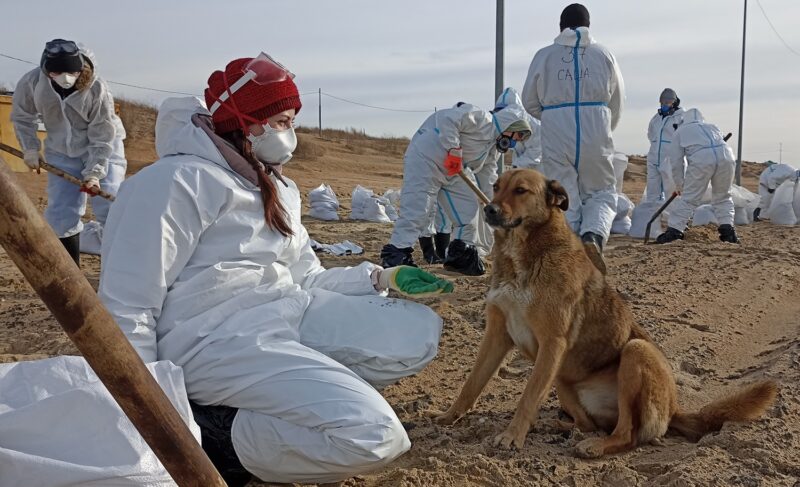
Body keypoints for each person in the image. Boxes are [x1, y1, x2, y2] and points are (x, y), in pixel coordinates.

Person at [98, 54, 452, 485]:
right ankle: (221, 440)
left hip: (284, 312)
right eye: (282, 120)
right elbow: (128, 304)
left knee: (416, 334)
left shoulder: (277, 186)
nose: (290, 132)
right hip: (211, 338)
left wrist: (379, 278)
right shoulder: (177, 181)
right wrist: (153, 404)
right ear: (249, 122)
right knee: (374, 436)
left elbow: (306, 276)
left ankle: (287, 404)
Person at [380, 99, 532, 276]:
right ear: (511, 126)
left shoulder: (492, 149)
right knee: (418, 210)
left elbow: (488, 178)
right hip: (427, 159)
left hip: (454, 170)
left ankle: (461, 256)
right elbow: (449, 120)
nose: (515, 143)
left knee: (469, 209)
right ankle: (397, 254)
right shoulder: (481, 118)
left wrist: (495, 204)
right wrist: (453, 148)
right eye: (518, 136)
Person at [521, 3, 625, 259]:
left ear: (561, 26)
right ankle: (593, 236)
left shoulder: (544, 55)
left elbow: (529, 100)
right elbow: (617, 100)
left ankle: (570, 250)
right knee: (601, 191)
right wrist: (604, 128)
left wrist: (551, 116)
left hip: (556, 128)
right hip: (596, 125)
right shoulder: (604, 54)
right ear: (588, 25)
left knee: (563, 193)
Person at [11, 38, 127, 265]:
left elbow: (102, 134)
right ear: (47, 70)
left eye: (71, 73)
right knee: (61, 215)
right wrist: (30, 149)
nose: (64, 78)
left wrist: (95, 173)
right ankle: (73, 278)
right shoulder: (33, 82)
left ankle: (119, 272)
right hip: (62, 152)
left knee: (110, 209)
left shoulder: (96, 88)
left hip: (104, 149)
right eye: (56, 73)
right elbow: (23, 117)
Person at [656, 108, 740, 244]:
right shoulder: (712, 127)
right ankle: (728, 231)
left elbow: (676, 161)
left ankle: (675, 231)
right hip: (726, 157)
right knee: (723, 196)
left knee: (689, 198)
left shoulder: (680, 132)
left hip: (702, 158)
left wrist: (679, 184)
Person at [645, 88, 684, 202]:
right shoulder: (656, 119)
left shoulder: (680, 118)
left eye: (667, 103)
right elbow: (651, 135)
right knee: (652, 192)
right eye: (662, 103)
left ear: (674, 103)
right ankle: (653, 214)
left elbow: (685, 138)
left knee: (671, 192)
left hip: (670, 161)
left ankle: (674, 217)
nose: (664, 105)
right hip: (654, 159)